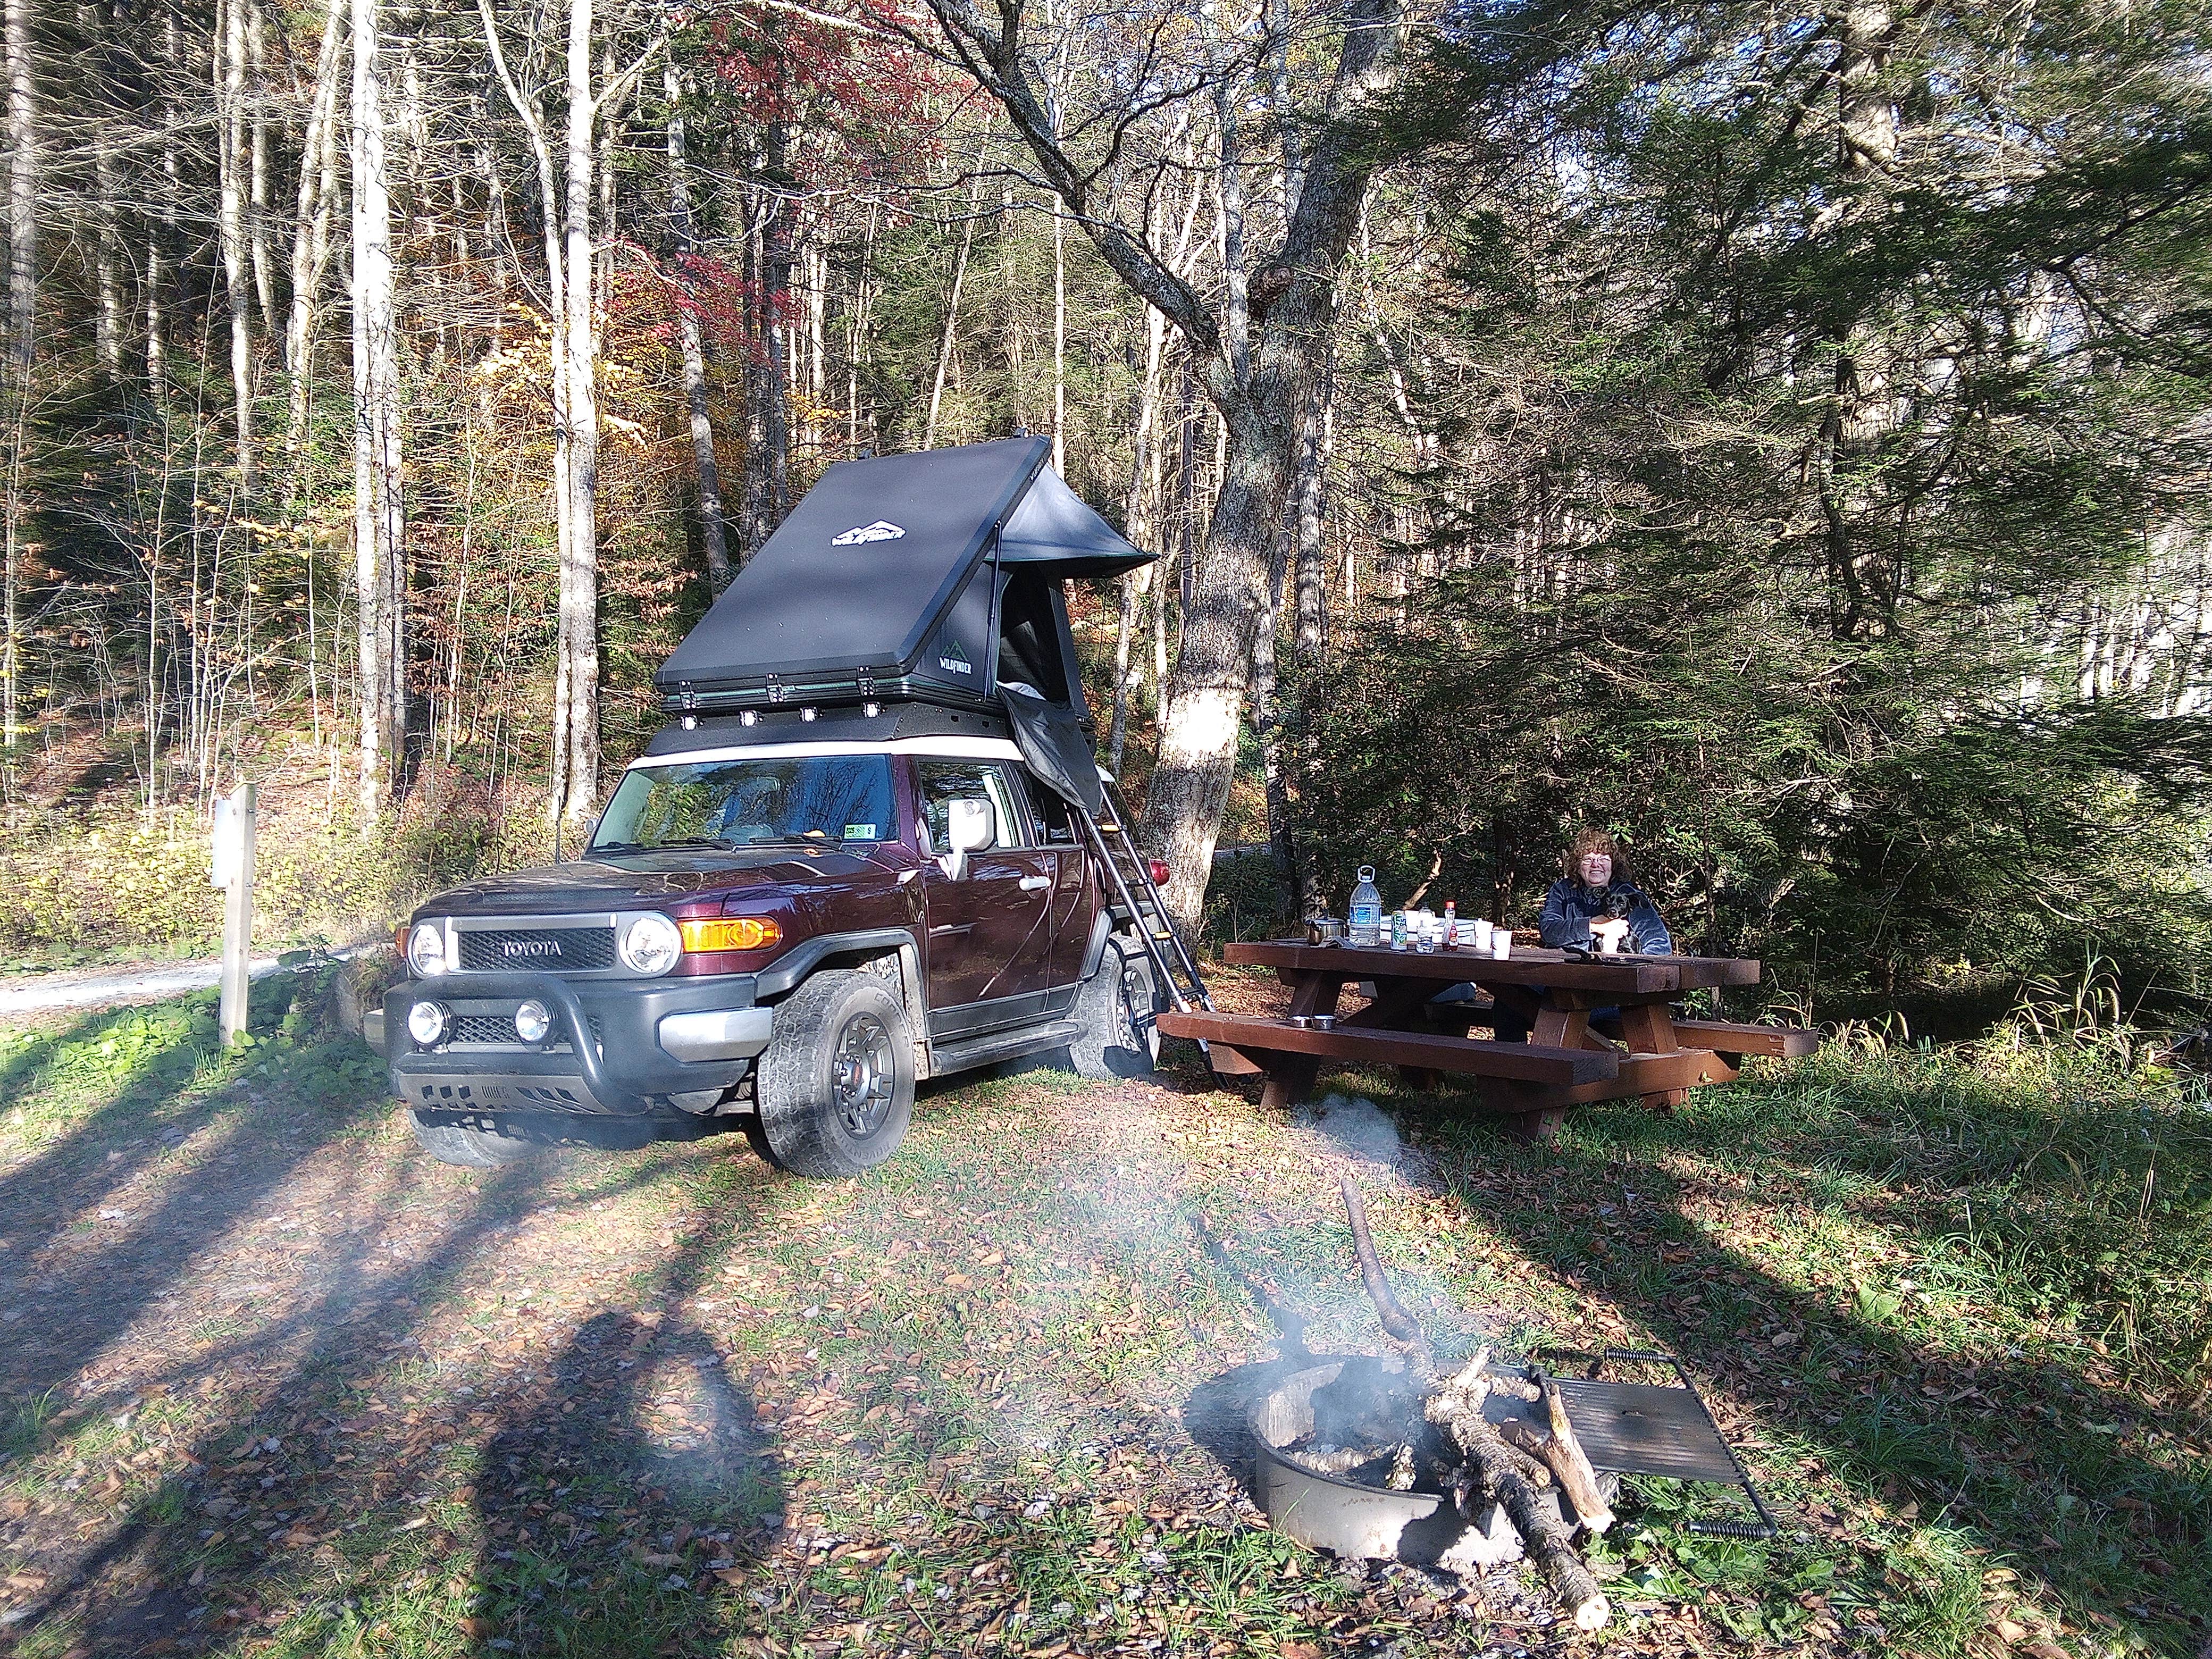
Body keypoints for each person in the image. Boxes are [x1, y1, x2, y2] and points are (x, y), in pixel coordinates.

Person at [1538, 832, 1672, 956]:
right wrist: (1592, 926)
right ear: (1578, 866)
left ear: (1613, 865)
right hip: (1567, 972)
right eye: (1588, 859)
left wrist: (1630, 968)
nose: (1596, 865)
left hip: (1620, 975)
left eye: (1603, 859)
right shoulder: (1563, 891)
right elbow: (1549, 931)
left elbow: (1659, 945)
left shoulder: (1629, 895)